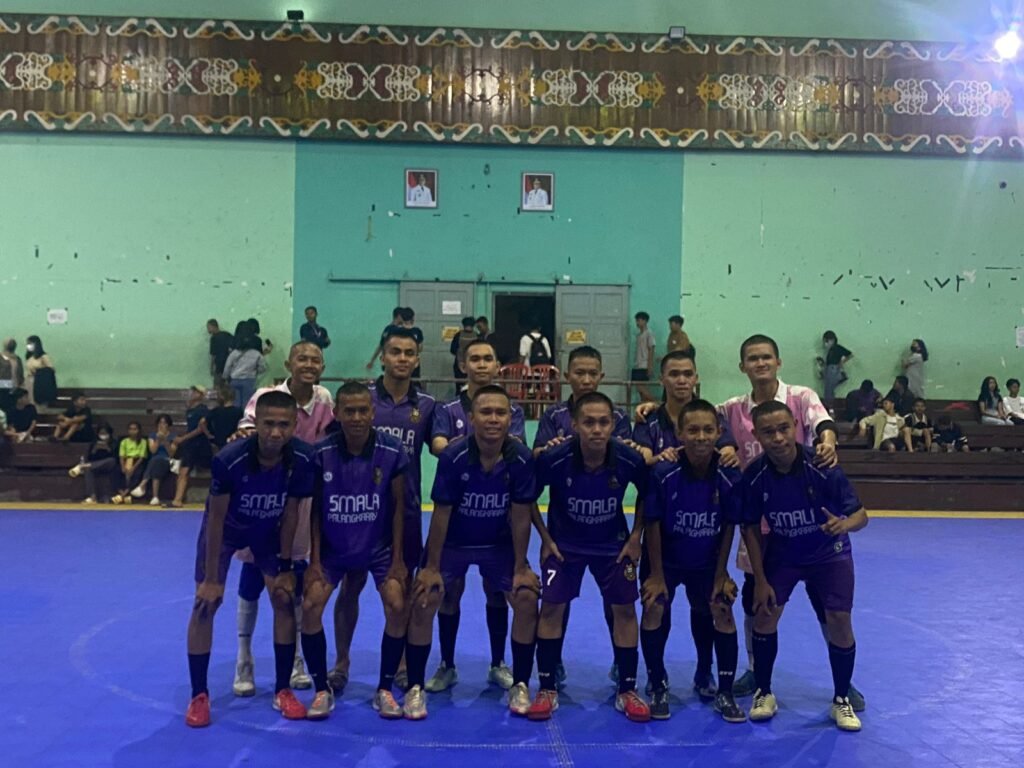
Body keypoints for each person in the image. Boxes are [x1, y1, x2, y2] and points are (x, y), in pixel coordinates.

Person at [712, 335, 864, 710]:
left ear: (778, 361)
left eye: (766, 356)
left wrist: (828, 441)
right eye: (752, 358)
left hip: (806, 520)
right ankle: (756, 672)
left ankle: (843, 683)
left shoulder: (800, 396)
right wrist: (650, 410)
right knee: (757, 602)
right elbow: (694, 416)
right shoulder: (731, 408)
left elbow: (823, 422)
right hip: (759, 523)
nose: (760, 363)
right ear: (742, 366)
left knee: (828, 607)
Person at [405, 385, 540, 719]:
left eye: (500, 413)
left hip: (498, 544)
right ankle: (419, 683)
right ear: (471, 418)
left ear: (510, 418)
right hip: (454, 543)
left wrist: (521, 566)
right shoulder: (453, 457)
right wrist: (431, 567)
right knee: (425, 597)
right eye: (486, 412)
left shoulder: (522, 458)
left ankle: (519, 682)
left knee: (525, 597)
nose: (493, 419)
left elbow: (521, 515)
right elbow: (441, 514)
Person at [184, 390, 316, 728]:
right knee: (205, 604)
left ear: (294, 425)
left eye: (284, 425)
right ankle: (199, 695)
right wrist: (211, 579)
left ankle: (283, 689)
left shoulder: (303, 459)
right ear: (255, 423)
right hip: (226, 531)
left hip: (267, 530)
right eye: (268, 424)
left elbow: (291, 514)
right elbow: (215, 519)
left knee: (284, 597)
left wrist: (285, 566)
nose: (276, 432)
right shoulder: (229, 459)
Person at [736, 400, 869, 732]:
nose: (778, 438)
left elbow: (861, 516)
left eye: (784, 428)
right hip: (783, 553)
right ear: (756, 435)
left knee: (839, 621)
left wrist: (843, 524)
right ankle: (764, 692)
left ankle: (841, 698)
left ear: (796, 426)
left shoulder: (823, 466)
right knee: (765, 616)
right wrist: (760, 578)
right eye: (768, 432)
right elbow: (750, 528)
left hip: (829, 554)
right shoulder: (754, 476)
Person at [527, 392, 651, 723]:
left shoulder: (628, 458)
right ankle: (547, 688)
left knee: (625, 610)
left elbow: (648, 494)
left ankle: (627, 689)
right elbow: (526, 497)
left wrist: (636, 536)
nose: (597, 429)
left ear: (613, 425)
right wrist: (545, 538)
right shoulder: (554, 459)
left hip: (613, 547)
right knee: (551, 608)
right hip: (564, 547)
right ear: (575, 425)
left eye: (604, 422)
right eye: (589, 422)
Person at [330, 328, 436, 693]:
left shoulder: (427, 406)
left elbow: (445, 446)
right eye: (395, 352)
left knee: (401, 590)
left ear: (417, 359)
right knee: (351, 586)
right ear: (383, 357)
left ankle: (402, 662)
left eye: (409, 353)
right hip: (360, 514)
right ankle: (341, 662)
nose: (402, 358)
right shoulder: (362, 400)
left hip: (405, 513)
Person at [231, 341, 335, 698]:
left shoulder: (324, 399)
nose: (309, 364)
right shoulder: (266, 396)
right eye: (302, 358)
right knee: (252, 576)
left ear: (322, 366)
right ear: (289, 363)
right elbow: (246, 432)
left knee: (295, 579)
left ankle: (295, 659)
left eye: (315, 359)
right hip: (262, 500)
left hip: (300, 502)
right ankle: (243, 658)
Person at [301, 381, 410, 719]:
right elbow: (315, 511)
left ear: (373, 412)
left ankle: (384, 688)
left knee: (397, 604)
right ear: (337, 413)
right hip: (334, 548)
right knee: (310, 606)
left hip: (377, 547)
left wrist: (398, 559)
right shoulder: (321, 453)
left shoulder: (392, 450)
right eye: (349, 411)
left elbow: (399, 508)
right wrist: (314, 560)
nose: (357, 417)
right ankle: (322, 688)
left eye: (363, 410)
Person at [426, 338, 526, 692]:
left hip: (496, 522)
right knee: (448, 592)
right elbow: (438, 445)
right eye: (475, 359)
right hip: (456, 523)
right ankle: (447, 665)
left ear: (497, 365)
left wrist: (472, 442)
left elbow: (515, 445)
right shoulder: (448, 407)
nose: (482, 364)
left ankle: (498, 663)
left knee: (497, 592)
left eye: (488, 358)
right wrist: (475, 443)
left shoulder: (512, 408)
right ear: (462, 365)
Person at [640, 399, 746, 723]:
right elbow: (652, 524)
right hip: (666, 560)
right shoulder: (663, 472)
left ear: (718, 432)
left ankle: (717, 684)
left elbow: (729, 526)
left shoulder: (729, 474)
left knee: (720, 607)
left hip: (706, 561)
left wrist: (721, 573)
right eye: (693, 430)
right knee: (655, 605)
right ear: (679, 433)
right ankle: (658, 683)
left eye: (708, 430)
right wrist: (656, 575)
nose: (701, 437)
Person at [631, 349, 738, 465]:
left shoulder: (714, 417)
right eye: (674, 374)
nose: (682, 380)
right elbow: (644, 462)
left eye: (688, 374)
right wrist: (662, 458)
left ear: (695, 379)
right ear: (661, 380)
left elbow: (727, 455)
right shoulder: (647, 420)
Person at [130, 414, 176, 506]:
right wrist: (158, 440)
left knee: (155, 461)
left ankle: (142, 485)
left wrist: (165, 441)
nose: (161, 425)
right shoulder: (152, 436)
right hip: (155, 461)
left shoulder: (173, 436)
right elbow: (153, 451)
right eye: (160, 423)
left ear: (168, 425)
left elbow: (171, 454)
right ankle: (155, 497)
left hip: (167, 461)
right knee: (155, 463)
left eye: (164, 423)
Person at [68, 423, 117, 504]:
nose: (103, 435)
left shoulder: (114, 443)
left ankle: (82, 466)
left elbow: (116, 457)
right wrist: (94, 450)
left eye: (105, 433)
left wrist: (108, 449)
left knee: (111, 460)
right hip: (94, 465)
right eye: (101, 433)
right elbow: (89, 457)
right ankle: (92, 496)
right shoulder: (94, 443)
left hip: (109, 465)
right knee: (88, 469)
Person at [224, 334, 268, 408]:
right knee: (247, 403)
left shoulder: (234, 353)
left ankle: (237, 415)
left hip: (235, 380)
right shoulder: (256, 353)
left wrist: (225, 377)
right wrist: (255, 371)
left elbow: (227, 366)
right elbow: (263, 368)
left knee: (235, 402)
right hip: (249, 381)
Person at [111, 421, 148, 504]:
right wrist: (123, 466)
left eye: (135, 429)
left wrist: (133, 468)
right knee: (115, 471)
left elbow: (142, 457)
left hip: (137, 461)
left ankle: (124, 494)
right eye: (131, 429)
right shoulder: (124, 441)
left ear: (138, 430)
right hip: (126, 460)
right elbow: (121, 456)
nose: (132, 431)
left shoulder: (143, 441)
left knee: (138, 472)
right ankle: (121, 493)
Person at [817, 331, 852, 402]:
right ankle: (840, 377)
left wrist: (841, 362)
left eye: (827, 341)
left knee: (828, 389)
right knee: (828, 387)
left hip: (833, 369)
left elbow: (850, 354)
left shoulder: (837, 347)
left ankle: (828, 404)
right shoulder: (830, 350)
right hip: (829, 369)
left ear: (832, 340)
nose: (825, 343)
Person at [24, 335, 56, 406]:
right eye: (27, 344)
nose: (28, 346)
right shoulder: (30, 357)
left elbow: (51, 369)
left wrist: (39, 372)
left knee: (38, 404)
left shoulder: (43, 356)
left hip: (39, 383)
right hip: (29, 382)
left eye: (30, 344)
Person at [632, 312, 656, 404]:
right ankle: (644, 408)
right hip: (637, 364)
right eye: (636, 321)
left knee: (641, 387)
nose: (637, 323)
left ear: (645, 321)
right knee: (641, 392)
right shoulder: (639, 335)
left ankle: (657, 403)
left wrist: (650, 367)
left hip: (644, 365)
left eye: (639, 320)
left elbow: (651, 350)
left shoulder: (649, 333)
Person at [449, 317, 478, 394]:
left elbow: (452, 350)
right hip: (474, 364)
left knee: (459, 386)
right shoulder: (477, 336)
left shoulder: (458, 335)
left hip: (459, 364)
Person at [207, 320, 234, 388]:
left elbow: (213, 355)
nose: (208, 330)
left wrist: (211, 368)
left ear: (213, 326)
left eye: (209, 327)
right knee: (229, 389)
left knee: (217, 388)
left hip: (219, 367)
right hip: (229, 367)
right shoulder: (227, 335)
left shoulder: (213, 338)